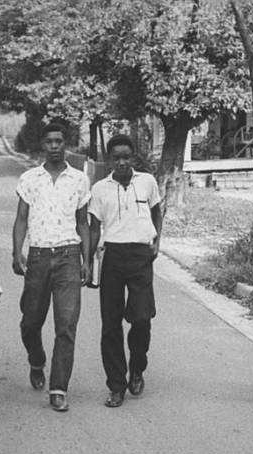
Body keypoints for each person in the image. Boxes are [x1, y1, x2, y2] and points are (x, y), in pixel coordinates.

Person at [11, 122, 91, 412]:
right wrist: (16, 251)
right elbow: (21, 219)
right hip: (38, 256)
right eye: (49, 141)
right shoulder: (30, 179)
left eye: (59, 141)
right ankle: (36, 359)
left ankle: (59, 388)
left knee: (66, 324)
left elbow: (84, 222)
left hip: (69, 255)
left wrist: (87, 259)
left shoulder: (79, 180)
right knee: (31, 321)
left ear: (65, 143)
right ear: (42, 145)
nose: (55, 146)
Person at [88, 135, 163, 408]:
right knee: (111, 324)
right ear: (109, 160)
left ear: (133, 158)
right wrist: (88, 263)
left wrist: (157, 243)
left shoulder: (147, 182)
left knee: (142, 318)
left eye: (126, 157)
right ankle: (116, 386)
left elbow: (157, 211)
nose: (121, 162)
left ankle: (138, 366)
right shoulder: (99, 189)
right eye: (116, 157)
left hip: (141, 255)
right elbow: (94, 227)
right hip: (112, 257)